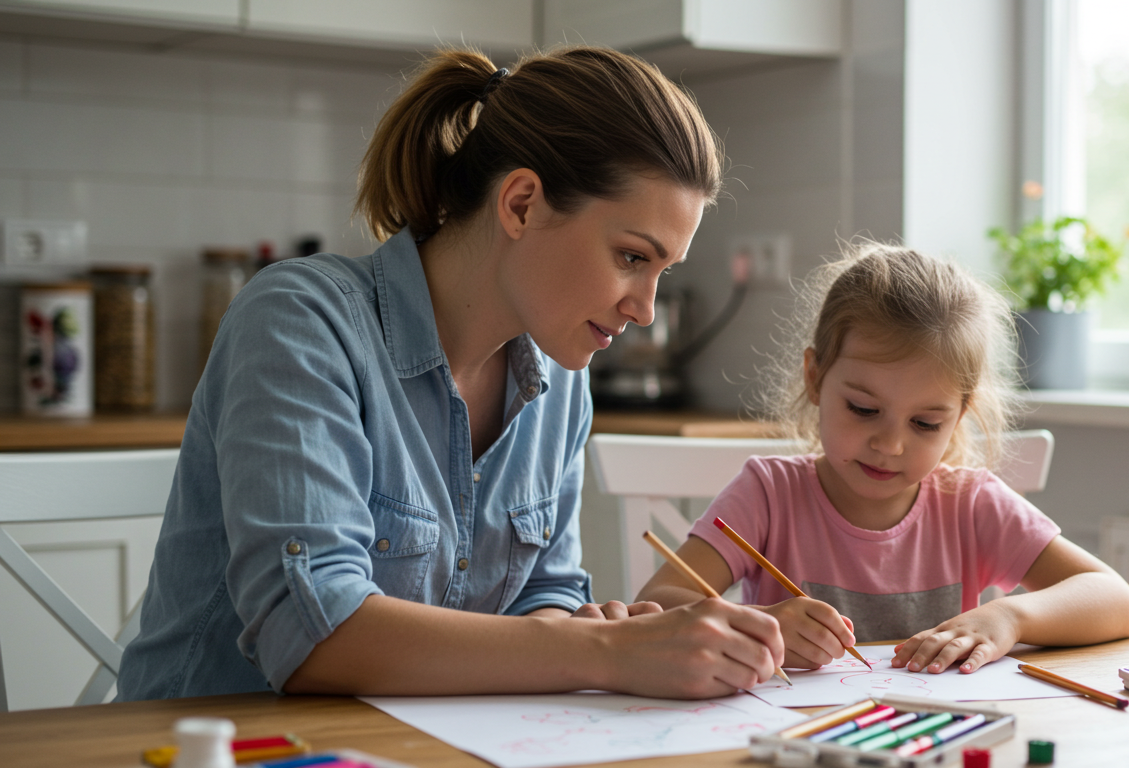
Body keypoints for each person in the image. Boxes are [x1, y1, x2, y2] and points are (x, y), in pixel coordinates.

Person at [116, 46, 786, 702]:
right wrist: (606, 652)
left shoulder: (560, 375)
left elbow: (542, 591)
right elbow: (312, 635)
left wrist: (588, 631)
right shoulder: (302, 320)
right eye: (632, 257)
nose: (644, 310)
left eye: (662, 273)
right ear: (522, 204)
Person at [637, 243, 1129, 674]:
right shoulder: (769, 495)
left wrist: (1008, 619)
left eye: (925, 424)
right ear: (816, 377)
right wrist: (764, 627)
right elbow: (658, 603)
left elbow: (1115, 600)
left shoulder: (970, 504)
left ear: (959, 415)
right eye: (863, 409)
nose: (890, 444)